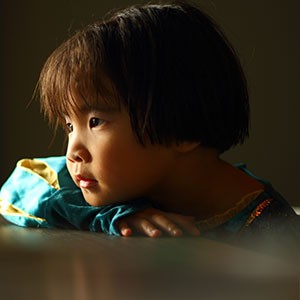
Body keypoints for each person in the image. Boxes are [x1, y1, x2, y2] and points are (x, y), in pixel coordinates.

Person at [0, 1, 299, 254]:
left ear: (183, 129)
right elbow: (17, 188)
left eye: (95, 122)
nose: (73, 152)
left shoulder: (272, 232)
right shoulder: (129, 188)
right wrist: (114, 216)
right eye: (69, 126)